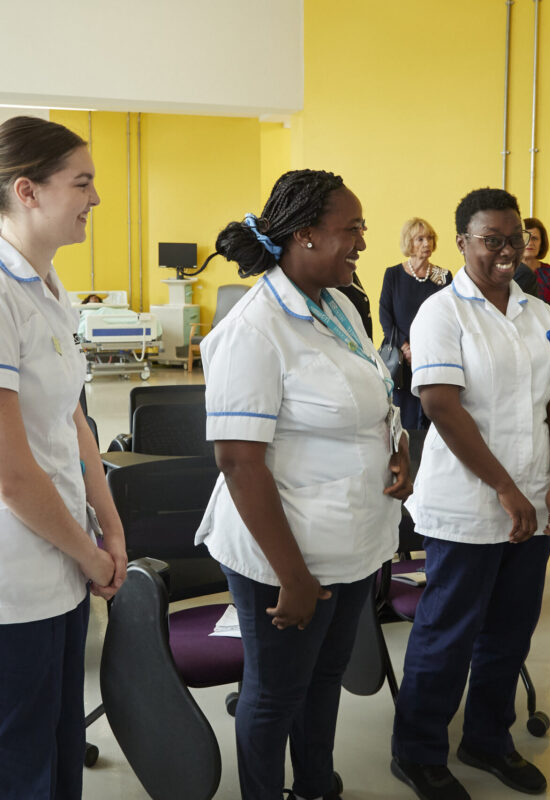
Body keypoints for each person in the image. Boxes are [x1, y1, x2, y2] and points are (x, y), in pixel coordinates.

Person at [0, 116, 127, 800]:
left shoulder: (46, 288)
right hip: (9, 567)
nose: (95, 198)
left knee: (54, 749)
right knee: (8, 764)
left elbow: (72, 420)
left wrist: (110, 524)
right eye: (83, 182)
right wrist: (88, 550)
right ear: (28, 192)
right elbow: (9, 473)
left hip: (63, 556)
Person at [198, 169, 411, 800]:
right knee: (274, 696)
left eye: (362, 230)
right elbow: (239, 462)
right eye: (351, 231)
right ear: (305, 236)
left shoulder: (339, 305)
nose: (362, 245)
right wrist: (293, 576)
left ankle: (317, 786)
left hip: (349, 542)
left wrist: (400, 443)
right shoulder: (254, 329)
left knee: (325, 680)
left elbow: (370, 392)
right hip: (283, 555)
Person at [390, 188, 550, 800]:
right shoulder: (441, 313)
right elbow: (441, 405)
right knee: (447, 630)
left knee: (510, 629)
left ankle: (487, 739)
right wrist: (504, 487)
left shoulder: (538, 312)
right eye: (490, 239)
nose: (505, 250)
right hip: (468, 505)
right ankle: (417, 752)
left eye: (514, 238)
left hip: (532, 499)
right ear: (464, 242)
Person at [379, 217, 450, 430]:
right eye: (420, 239)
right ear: (409, 242)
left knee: (431, 417)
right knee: (404, 416)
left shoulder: (443, 276)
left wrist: (422, 350)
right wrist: (407, 348)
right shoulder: (393, 274)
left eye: (429, 238)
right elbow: (385, 315)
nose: (426, 243)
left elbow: (447, 318)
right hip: (400, 359)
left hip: (432, 355)